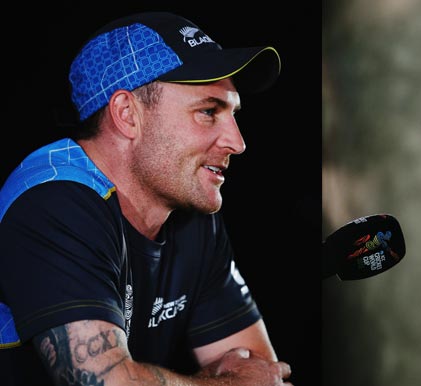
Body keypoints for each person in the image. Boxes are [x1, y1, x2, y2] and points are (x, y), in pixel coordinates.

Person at [0, 11, 292, 386]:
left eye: (233, 114)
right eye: (208, 112)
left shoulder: (191, 213)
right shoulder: (53, 201)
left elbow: (264, 375)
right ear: (126, 114)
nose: (237, 142)